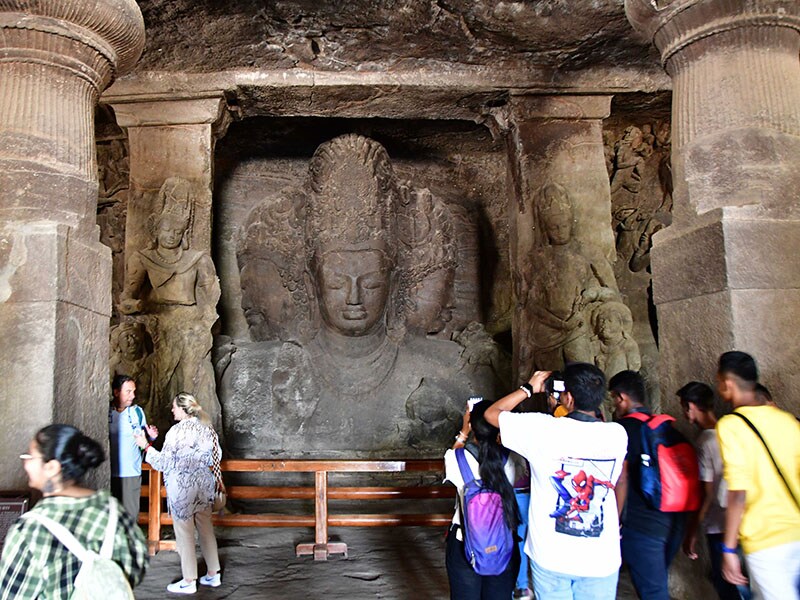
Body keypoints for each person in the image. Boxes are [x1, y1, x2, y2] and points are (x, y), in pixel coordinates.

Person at [485, 364, 628, 600]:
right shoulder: (617, 434)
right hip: (600, 557)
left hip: (551, 555)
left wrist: (528, 389)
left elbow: (492, 414)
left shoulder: (542, 429)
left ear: (568, 397)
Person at [0, 424, 148, 598]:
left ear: (52, 468)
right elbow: (137, 565)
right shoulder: (112, 509)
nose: (26, 463)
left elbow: (13, 593)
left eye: (30, 457)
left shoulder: (29, 530)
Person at [715, 351, 800, 600]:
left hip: (765, 540)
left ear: (728, 384)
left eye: (720, 382)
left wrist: (728, 548)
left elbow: (738, 493)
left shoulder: (730, 425)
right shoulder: (787, 421)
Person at [609, 369, 688, 600]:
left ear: (621, 398)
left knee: (653, 592)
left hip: (641, 524)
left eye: (614, 398)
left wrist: (614, 521)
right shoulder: (665, 427)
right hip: (673, 519)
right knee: (654, 583)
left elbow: (621, 478)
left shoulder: (621, 431)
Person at [135, 392, 222, 595]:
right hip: (204, 486)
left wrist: (145, 446)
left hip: (183, 489)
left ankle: (189, 580)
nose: (172, 410)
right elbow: (215, 457)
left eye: (174, 406)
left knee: (185, 534)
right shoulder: (207, 428)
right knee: (206, 530)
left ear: (183, 409)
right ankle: (213, 574)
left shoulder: (176, 432)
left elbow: (164, 463)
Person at [445, 400, 521, 600]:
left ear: (473, 426)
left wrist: (463, 431)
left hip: (464, 543)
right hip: (503, 542)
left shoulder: (457, 459)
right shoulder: (512, 459)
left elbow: (453, 455)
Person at [678, 381, 742, 600]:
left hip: (719, 523)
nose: (684, 413)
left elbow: (706, 494)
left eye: (684, 407)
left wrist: (692, 531)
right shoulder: (730, 432)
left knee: (726, 588)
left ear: (691, 406)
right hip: (740, 520)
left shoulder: (704, 441)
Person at [109, 374, 157, 518]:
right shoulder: (106, 411)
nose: (133, 396)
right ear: (116, 392)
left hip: (131, 471)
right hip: (109, 471)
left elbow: (143, 443)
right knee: (111, 515)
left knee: (130, 516)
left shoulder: (137, 412)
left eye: (134, 391)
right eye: (128, 391)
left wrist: (151, 437)